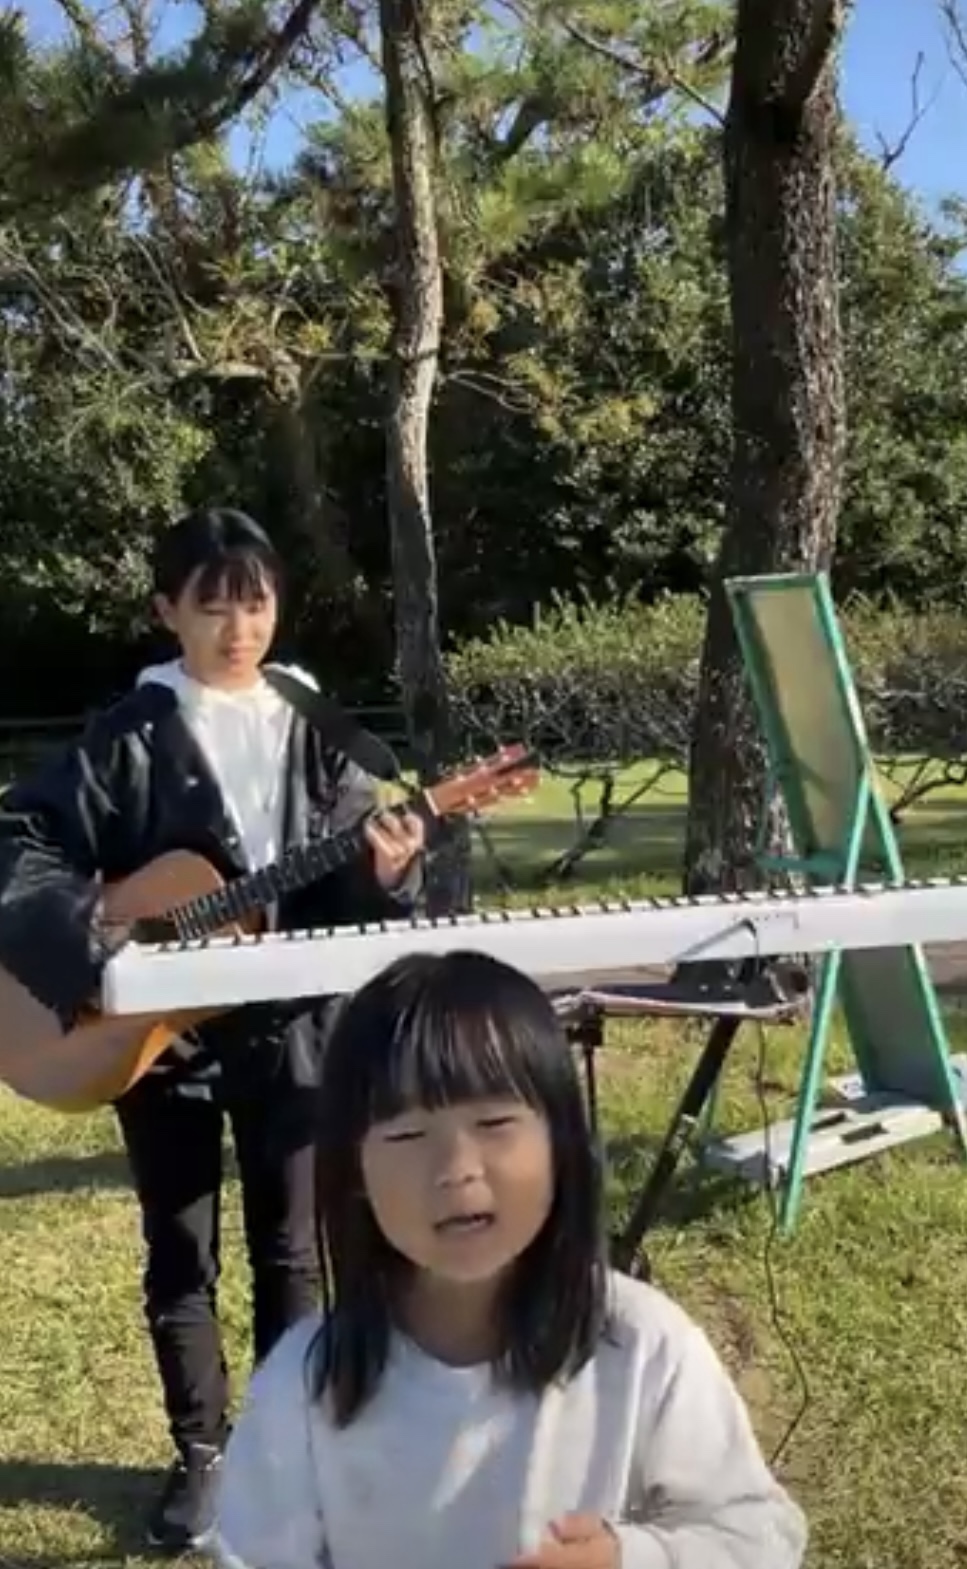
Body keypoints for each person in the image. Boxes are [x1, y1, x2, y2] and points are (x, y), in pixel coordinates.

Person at [0, 507, 426, 1554]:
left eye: (257, 603)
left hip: (291, 1028)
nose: (240, 628)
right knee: (180, 1253)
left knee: (293, 1249)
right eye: (214, 605)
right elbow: (19, 843)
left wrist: (388, 871)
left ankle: (293, 1446)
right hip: (164, 1041)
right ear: (167, 612)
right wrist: (102, 940)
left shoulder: (316, 727)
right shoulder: (129, 734)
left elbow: (341, 892)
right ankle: (202, 1454)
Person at [213, 949, 808, 1569]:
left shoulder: (641, 1346)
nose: (456, 1169)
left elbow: (758, 1537)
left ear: (562, 1144)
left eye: (494, 1122)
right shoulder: (303, 1385)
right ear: (354, 1172)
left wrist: (629, 1558)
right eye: (408, 1135)